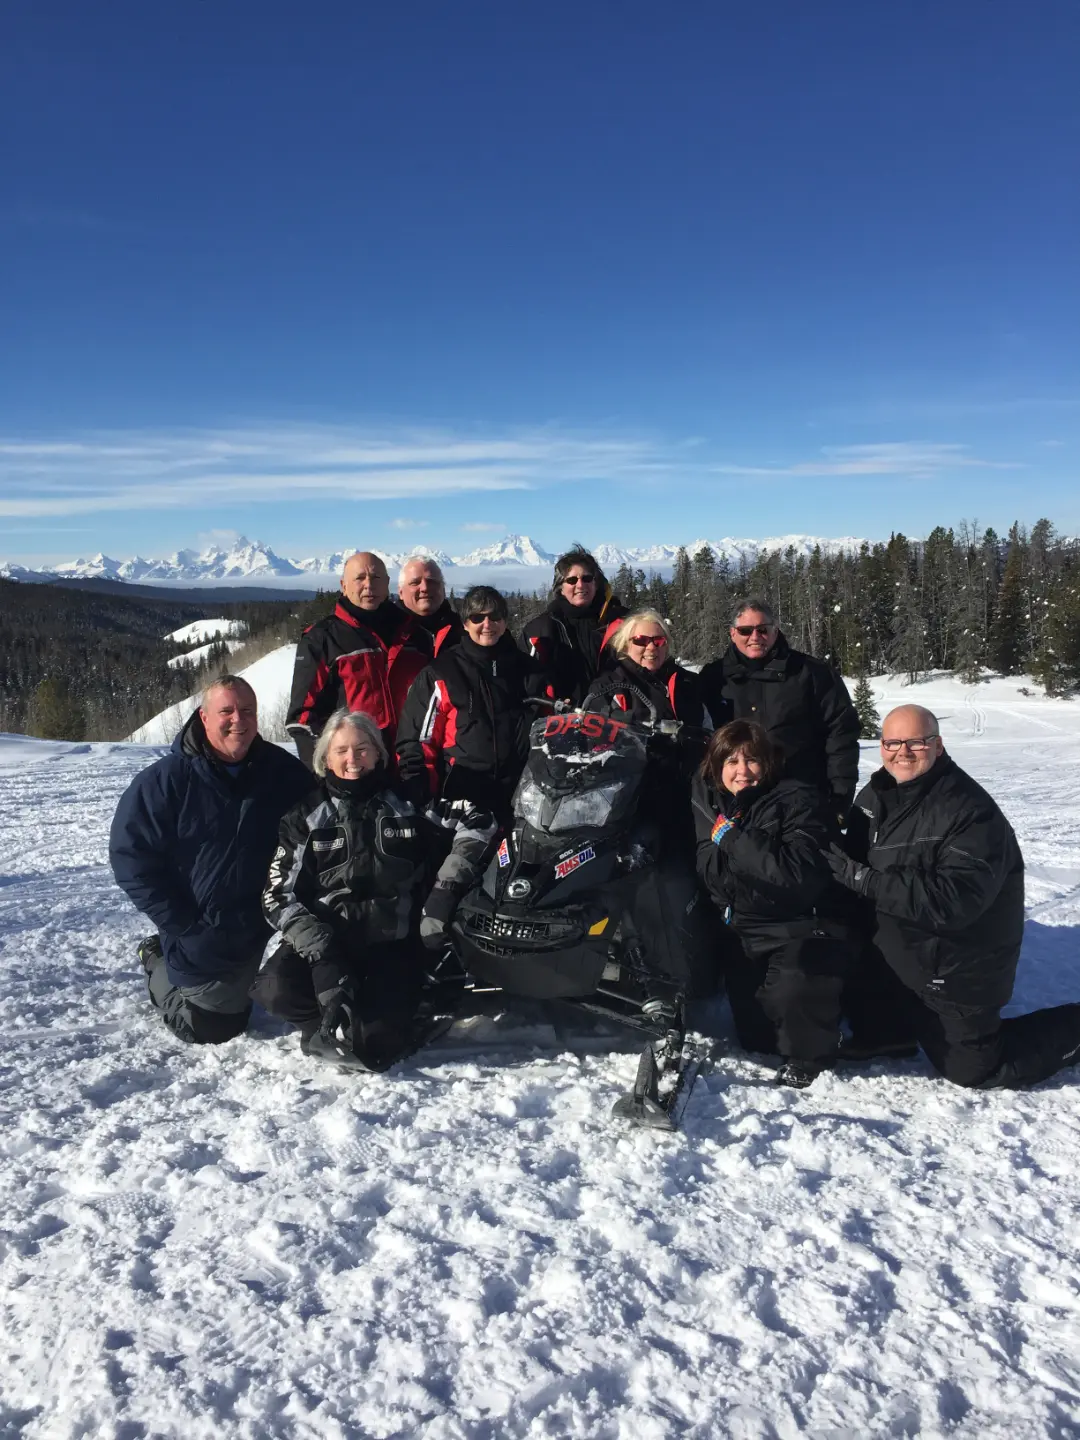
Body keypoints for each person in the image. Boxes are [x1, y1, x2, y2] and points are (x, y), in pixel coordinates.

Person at [827, 704, 1080, 1089]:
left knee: (975, 1069)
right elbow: (853, 862)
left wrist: (863, 880)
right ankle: (888, 1032)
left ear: (938, 745)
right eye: (892, 742)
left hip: (956, 964)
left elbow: (952, 903)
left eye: (916, 742)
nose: (903, 752)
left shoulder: (969, 813)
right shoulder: (876, 793)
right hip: (902, 947)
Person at [253, 709, 496, 1069]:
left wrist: (445, 890)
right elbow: (276, 895)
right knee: (274, 990)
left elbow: (479, 821)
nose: (353, 760)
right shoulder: (303, 817)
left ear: (379, 754)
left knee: (374, 1048)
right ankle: (328, 1019)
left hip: (394, 943)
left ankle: (396, 1014)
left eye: (363, 748)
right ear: (325, 758)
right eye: (342, 751)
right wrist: (321, 952)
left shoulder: (409, 800)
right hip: (330, 943)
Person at [109, 676, 312, 1045]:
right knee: (211, 1026)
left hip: (258, 921)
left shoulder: (284, 774)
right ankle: (156, 958)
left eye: (247, 710)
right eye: (226, 711)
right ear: (203, 718)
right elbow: (130, 858)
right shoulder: (166, 781)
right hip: (199, 927)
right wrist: (184, 924)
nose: (239, 719)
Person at [693, 720, 855, 1087]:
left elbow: (794, 875)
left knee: (795, 1008)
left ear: (767, 763)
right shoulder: (725, 808)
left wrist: (733, 841)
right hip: (750, 927)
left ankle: (819, 1046)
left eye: (751, 760)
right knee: (757, 1038)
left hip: (803, 923)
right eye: (731, 762)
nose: (742, 771)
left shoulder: (797, 800)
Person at [698, 597, 860, 824]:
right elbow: (700, 738)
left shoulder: (812, 673)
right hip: (733, 803)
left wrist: (840, 797)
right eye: (745, 631)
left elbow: (841, 735)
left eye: (763, 630)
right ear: (732, 633)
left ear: (775, 631)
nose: (755, 637)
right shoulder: (713, 677)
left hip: (801, 801)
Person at [396, 585, 547, 826]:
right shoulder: (442, 672)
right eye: (478, 617)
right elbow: (418, 742)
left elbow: (548, 728)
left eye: (495, 616)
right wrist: (422, 795)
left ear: (505, 621)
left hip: (522, 797)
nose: (487, 624)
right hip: (461, 800)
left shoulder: (529, 670)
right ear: (465, 623)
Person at [286, 550, 432, 767]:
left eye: (376, 578)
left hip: (414, 768)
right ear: (344, 585)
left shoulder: (415, 635)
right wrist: (322, 777)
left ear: (387, 583)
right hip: (356, 770)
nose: (369, 585)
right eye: (360, 578)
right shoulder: (323, 639)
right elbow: (302, 719)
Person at [520, 545, 626, 707]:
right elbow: (525, 681)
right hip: (559, 721)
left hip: (617, 717)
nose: (580, 585)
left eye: (587, 578)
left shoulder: (623, 622)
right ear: (560, 588)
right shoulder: (540, 629)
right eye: (571, 580)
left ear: (596, 583)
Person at [583, 609, 707, 726]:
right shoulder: (608, 687)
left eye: (658, 640)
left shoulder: (688, 681)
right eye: (641, 640)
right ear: (625, 645)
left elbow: (708, 728)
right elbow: (598, 737)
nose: (651, 647)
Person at [398, 556, 462, 655]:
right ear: (401, 592)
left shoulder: (464, 631)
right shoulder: (386, 632)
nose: (425, 588)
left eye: (432, 581)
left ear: (443, 589)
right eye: (415, 583)